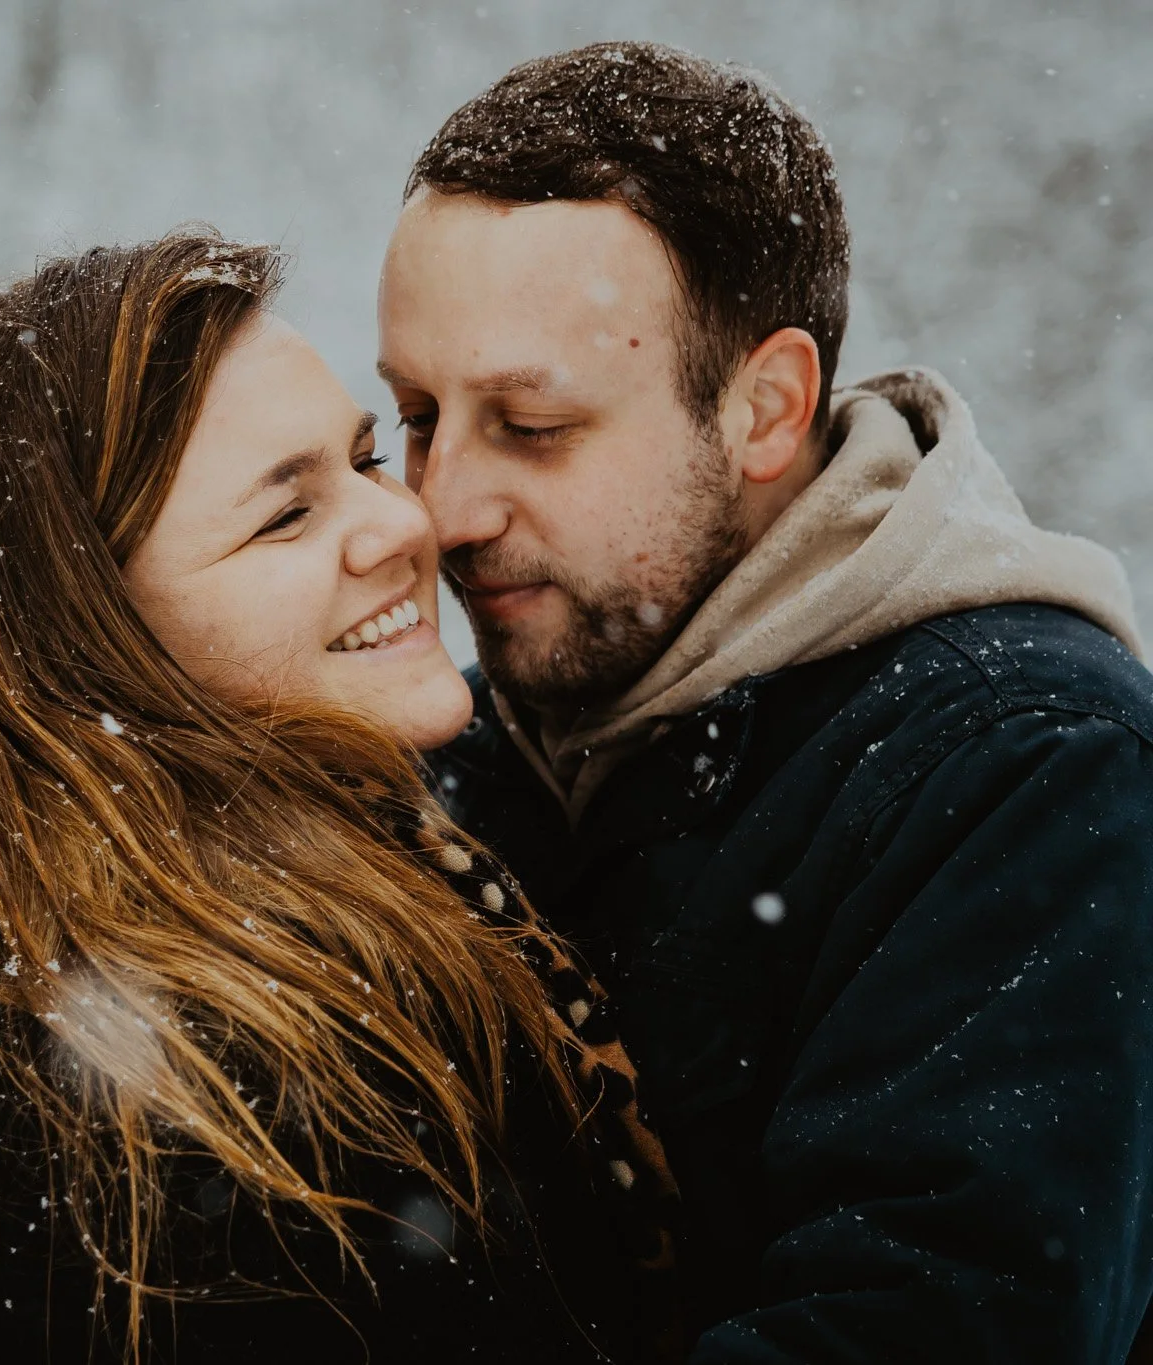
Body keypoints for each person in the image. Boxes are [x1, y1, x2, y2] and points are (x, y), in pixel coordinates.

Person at [0, 232, 678, 1364]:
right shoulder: (188, 1115)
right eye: (285, 516)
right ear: (82, 651)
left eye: (365, 461)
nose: (404, 524)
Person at [379, 41, 1153, 1363]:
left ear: (765, 408)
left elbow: (931, 1324)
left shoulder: (1032, 772)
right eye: (414, 417)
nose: (440, 507)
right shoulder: (456, 758)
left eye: (535, 425)